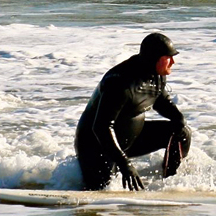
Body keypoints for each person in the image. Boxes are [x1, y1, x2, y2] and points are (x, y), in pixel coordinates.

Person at [74, 32, 192, 191]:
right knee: (103, 193)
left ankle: (170, 181)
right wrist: (125, 163)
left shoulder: (156, 75)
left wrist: (178, 118)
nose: (173, 62)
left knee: (181, 131)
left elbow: (160, 100)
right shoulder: (120, 83)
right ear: (155, 58)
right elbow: (101, 127)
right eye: (168, 57)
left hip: (130, 139)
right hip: (97, 146)